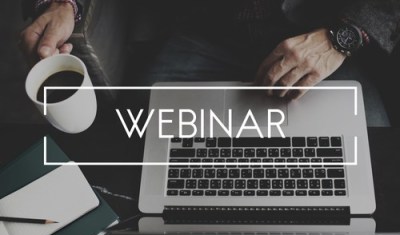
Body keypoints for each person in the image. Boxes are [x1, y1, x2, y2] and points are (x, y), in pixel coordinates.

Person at [19, 0, 400, 126]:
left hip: (323, 31)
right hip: (201, 31)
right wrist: (64, 3)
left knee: (366, 168)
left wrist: (343, 36)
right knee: (142, 157)